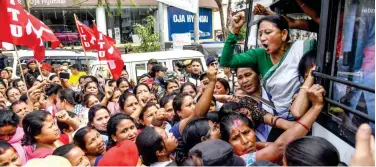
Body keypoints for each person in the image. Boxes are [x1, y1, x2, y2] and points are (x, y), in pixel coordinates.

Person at [221, 13, 316, 117]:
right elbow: (226, 61)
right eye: (260, 34)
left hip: (307, 113)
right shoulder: (258, 55)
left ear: (284, 34)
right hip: (279, 116)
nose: (262, 38)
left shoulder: (302, 48)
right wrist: (234, 31)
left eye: (267, 32)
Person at [219, 84, 325, 165]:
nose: (245, 141)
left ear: (253, 130)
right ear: (227, 143)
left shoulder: (251, 150)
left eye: (246, 132)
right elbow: (279, 147)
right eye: (235, 138)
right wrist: (316, 107)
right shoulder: (240, 161)